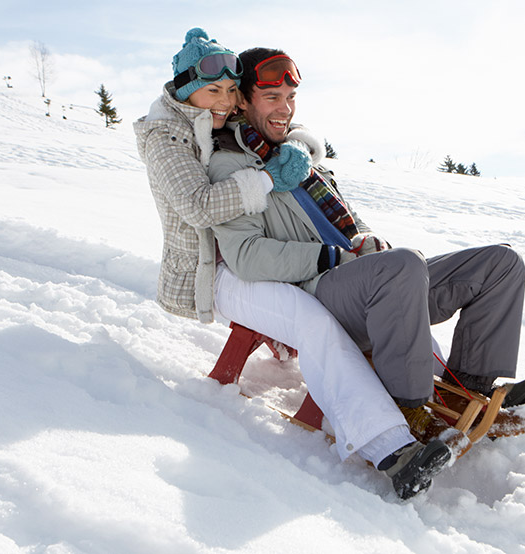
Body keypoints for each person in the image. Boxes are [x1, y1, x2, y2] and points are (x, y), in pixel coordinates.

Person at [133, 28, 451, 500]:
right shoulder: (168, 135)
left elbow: (268, 139)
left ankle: (440, 382)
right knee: (314, 320)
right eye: (211, 90)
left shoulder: (223, 123)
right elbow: (199, 207)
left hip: (257, 254)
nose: (221, 101)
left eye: (228, 91)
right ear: (184, 90)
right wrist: (264, 178)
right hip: (219, 269)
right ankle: (389, 448)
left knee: (382, 285)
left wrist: (295, 152)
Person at [208, 47, 525, 441]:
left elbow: (348, 218)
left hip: (374, 280)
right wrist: (334, 256)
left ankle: (470, 388)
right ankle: (409, 405)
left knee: (501, 264)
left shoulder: (299, 158)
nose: (285, 109)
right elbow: (246, 256)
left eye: (291, 98)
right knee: (403, 265)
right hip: (321, 290)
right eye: (272, 98)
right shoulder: (231, 167)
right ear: (243, 100)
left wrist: (366, 239)